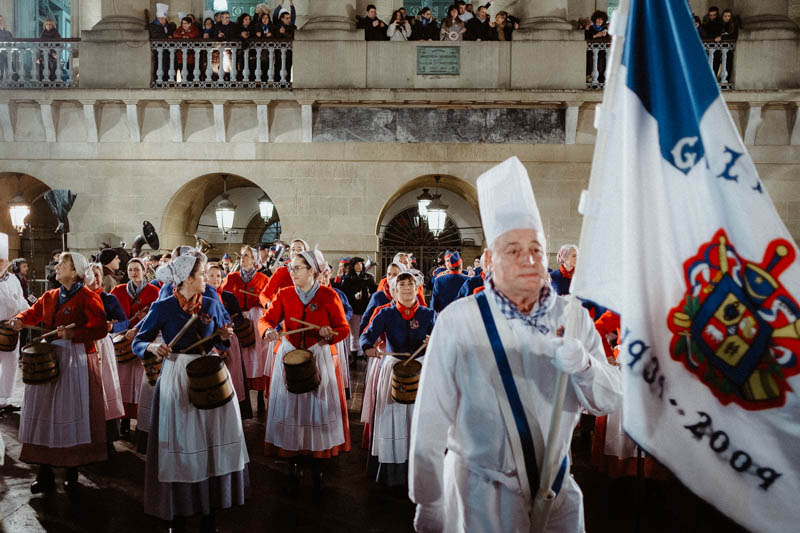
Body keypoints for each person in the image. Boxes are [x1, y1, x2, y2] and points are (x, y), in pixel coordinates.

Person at [409, 157, 622, 532]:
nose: (528, 259)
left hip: (556, 493)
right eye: (513, 250)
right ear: (490, 260)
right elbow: (430, 419)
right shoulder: (458, 321)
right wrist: (430, 499)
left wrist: (585, 367)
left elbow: (608, 401)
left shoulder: (573, 318)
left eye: (536, 249)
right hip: (480, 495)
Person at [132, 250, 248, 533]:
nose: (206, 278)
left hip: (210, 374)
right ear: (185, 278)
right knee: (181, 444)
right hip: (177, 376)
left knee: (211, 441)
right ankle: (178, 513)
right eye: (200, 274)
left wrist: (224, 336)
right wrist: (152, 347)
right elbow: (138, 341)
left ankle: (210, 513)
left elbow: (222, 342)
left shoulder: (211, 302)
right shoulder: (162, 307)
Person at [8, 252, 109, 495]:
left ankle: (72, 474)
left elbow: (100, 329)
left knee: (70, 413)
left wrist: (74, 334)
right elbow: (33, 313)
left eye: (63, 263)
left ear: (75, 272)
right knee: (44, 412)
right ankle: (44, 473)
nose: (57, 266)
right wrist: (19, 319)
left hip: (76, 361)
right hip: (49, 356)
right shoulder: (50, 295)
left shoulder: (88, 297)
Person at [259, 248, 350, 497]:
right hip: (290, 354)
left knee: (317, 409)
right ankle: (293, 463)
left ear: (312, 271)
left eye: (297, 268)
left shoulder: (329, 295)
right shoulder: (284, 294)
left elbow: (343, 328)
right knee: (291, 409)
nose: (292, 272)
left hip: (317, 355)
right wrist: (268, 331)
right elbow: (266, 320)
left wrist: (329, 334)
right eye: (291, 268)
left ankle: (317, 464)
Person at [360, 269, 435, 489]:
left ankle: (419, 470)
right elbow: (366, 335)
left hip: (421, 369)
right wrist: (367, 347)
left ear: (417, 288)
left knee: (419, 418)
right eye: (401, 285)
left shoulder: (428, 314)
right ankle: (393, 473)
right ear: (394, 290)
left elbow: (443, 337)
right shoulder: (385, 313)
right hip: (393, 369)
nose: (407, 289)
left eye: (410, 284)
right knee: (391, 418)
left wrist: (434, 339)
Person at [109, 258, 160, 439]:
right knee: (122, 381)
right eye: (130, 270)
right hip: (123, 342)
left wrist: (140, 326)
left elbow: (157, 317)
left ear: (144, 271)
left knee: (140, 383)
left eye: (137, 269)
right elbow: (111, 317)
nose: (134, 273)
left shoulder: (154, 291)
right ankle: (123, 419)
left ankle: (141, 420)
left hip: (143, 340)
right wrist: (122, 327)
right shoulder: (118, 290)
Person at [221, 245, 271, 413]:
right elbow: (223, 296)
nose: (243, 258)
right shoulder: (232, 277)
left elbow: (268, 298)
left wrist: (263, 302)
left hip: (255, 319)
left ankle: (260, 394)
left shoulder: (263, 278)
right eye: (242, 255)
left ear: (254, 260)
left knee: (258, 356)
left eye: (247, 255)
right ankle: (242, 393)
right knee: (239, 355)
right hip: (237, 319)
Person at [86, 263, 127, 453]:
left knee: (106, 389)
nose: (95, 279)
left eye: (98, 275)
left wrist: (113, 327)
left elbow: (124, 322)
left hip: (103, 346)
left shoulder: (109, 299)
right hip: (83, 347)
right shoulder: (79, 298)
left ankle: (108, 438)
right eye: (91, 275)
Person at [207, 262, 252, 419]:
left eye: (218, 276)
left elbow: (238, 317)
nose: (215, 279)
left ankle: (233, 411)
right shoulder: (202, 296)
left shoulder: (229, 296)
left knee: (232, 374)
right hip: (211, 343)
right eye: (211, 276)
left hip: (229, 340)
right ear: (205, 277)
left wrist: (232, 323)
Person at [0, 250, 28, 414]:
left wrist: (25, 317)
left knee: (10, 364)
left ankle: (4, 400)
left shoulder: (13, 280)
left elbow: (21, 300)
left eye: (2, 261)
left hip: (11, 329)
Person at [341, 256, 377, 360]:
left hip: (366, 308)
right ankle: (355, 354)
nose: (359, 266)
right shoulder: (348, 278)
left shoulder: (368, 277)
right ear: (352, 266)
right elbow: (345, 293)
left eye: (361, 264)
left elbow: (374, 289)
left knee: (365, 329)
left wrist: (370, 294)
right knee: (355, 332)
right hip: (354, 308)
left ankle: (364, 351)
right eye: (357, 264)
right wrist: (354, 296)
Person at [259, 238, 308, 306]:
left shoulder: (311, 272)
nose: (295, 252)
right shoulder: (281, 271)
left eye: (299, 250)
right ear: (290, 253)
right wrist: (268, 304)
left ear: (306, 253)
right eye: (293, 250)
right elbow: (264, 294)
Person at [0, 16, 13, 81]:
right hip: (0, 55)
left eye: (1, 20)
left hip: (8, 54)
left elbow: (13, 44)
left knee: (10, 70)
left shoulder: (8, 33)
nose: (0, 22)